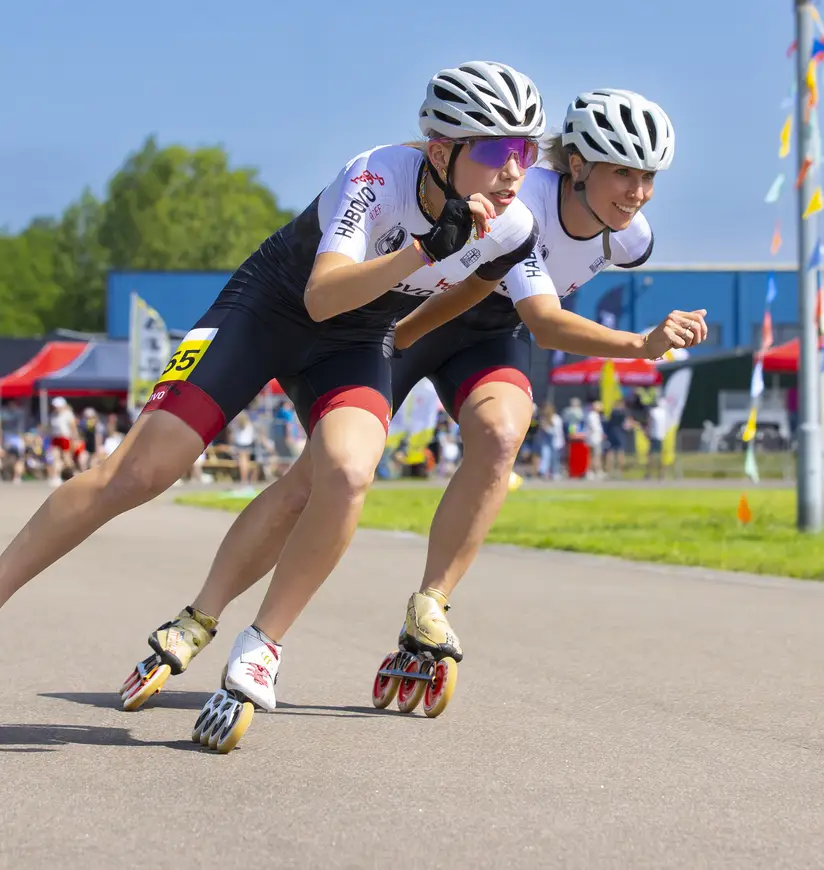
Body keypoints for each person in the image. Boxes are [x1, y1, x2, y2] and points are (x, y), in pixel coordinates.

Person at [114, 88, 707, 728]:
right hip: (416, 323)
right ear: (578, 166)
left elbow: (521, 317)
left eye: (649, 178)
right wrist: (640, 345)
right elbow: (545, 319)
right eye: (623, 173)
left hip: (489, 334)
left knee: (502, 435)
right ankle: (199, 615)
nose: (637, 192)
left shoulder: (630, 238)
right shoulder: (522, 198)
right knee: (315, 482)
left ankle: (431, 602)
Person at [73, 60, 544, 748]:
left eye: (528, 150)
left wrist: (411, 329)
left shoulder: (588, 230)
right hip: (332, 306)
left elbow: (496, 290)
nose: (516, 167)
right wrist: (637, 341)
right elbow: (331, 287)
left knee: (348, 473)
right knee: (290, 484)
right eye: (501, 149)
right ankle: (201, 615)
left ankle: (300, 633)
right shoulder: (391, 174)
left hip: (395, 328)